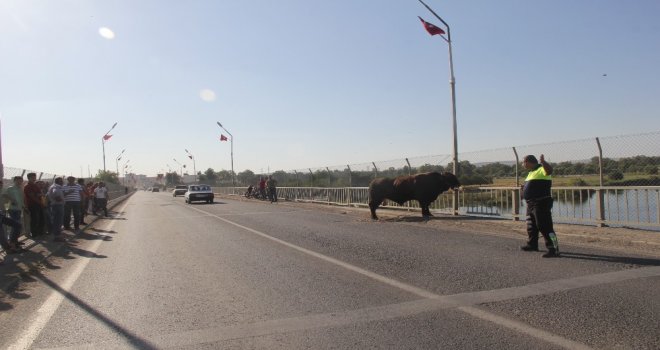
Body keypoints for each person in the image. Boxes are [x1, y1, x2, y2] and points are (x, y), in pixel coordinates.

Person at [520, 154, 560, 258]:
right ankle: (532, 245)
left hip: (541, 202)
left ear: (528, 162)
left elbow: (549, 171)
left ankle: (553, 248)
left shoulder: (542, 169)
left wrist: (543, 162)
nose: (522, 164)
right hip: (531, 203)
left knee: (545, 226)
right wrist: (524, 190)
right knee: (531, 226)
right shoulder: (531, 172)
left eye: (523, 162)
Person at [0, 180, 24, 254]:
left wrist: (6, 209)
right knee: (1, 233)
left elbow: (6, 201)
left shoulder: (3, 190)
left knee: (17, 225)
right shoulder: (8, 190)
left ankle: (11, 243)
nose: (0, 186)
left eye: (1, 185)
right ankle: (8, 248)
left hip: (2, 213)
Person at [24, 173, 46, 237]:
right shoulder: (27, 186)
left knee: (42, 219)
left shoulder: (35, 186)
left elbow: (40, 194)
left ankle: (40, 233)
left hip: (39, 204)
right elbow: (32, 196)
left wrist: (41, 201)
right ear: (29, 178)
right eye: (32, 177)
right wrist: (40, 201)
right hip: (33, 205)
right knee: (34, 220)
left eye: (35, 177)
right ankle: (34, 234)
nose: (34, 178)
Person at [48, 177, 67, 242]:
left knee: (56, 221)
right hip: (57, 205)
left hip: (56, 205)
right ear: (59, 181)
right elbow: (56, 194)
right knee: (58, 221)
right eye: (61, 181)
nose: (63, 182)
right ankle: (57, 237)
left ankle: (57, 236)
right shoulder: (56, 187)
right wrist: (61, 200)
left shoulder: (53, 186)